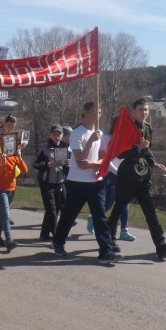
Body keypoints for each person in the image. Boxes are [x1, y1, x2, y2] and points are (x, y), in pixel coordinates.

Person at [107, 99, 166, 259]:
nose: (144, 112)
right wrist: (135, 148)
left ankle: (161, 245)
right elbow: (120, 153)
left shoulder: (147, 128)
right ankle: (110, 240)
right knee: (118, 209)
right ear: (134, 111)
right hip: (128, 175)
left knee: (150, 212)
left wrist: (155, 164)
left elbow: (147, 151)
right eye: (141, 109)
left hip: (143, 175)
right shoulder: (127, 128)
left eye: (146, 110)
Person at [52, 101, 122, 265]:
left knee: (100, 217)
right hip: (77, 183)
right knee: (69, 216)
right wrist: (90, 142)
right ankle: (58, 241)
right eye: (94, 112)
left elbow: (104, 158)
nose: (97, 115)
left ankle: (106, 251)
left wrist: (115, 171)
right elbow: (81, 162)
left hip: (96, 183)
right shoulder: (77, 134)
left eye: (99, 112)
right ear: (85, 113)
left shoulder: (100, 134)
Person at [33, 124, 70, 241]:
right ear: (50, 135)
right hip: (46, 182)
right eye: (54, 134)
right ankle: (56, 237)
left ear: (62, 135)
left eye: (59, 134)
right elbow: (35, 164)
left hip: (60, 182)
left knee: (59, 209)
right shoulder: (44, 148)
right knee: (52, 211)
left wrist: (67, 166)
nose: (57, 136)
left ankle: (44, 234)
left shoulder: (64, 147)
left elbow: (63, 168)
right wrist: (47, 165)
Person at [0, 141, 28, 251]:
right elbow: (1, 173)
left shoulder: (14, 157)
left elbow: (25, 170)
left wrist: (20, 157)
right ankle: (9, 241)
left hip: (12, 190)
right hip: (1, 190)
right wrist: (3, 162)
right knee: (6, 215)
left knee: (3, 214)